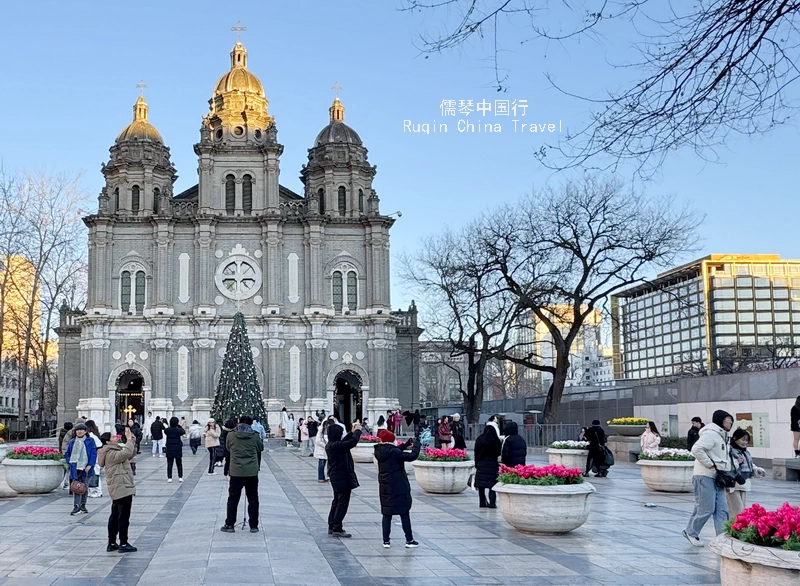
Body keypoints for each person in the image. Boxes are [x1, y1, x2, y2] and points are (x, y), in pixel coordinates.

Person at [682, 409, 734, 547]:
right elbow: (696, 449)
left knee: (722, 509)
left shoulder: (723, 436)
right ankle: (691, 532)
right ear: (720, 421)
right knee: (706, 507)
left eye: (731, 420)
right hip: (705, 475)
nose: (730, 423)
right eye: (727, 420)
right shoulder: (711, 434)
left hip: (718, 477)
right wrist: (711, 465)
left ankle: (722, 538)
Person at [374, 429, 421, 548]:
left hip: (385, 487)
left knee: (387, 514)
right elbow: (412, 456)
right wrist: (417, 444)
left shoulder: (380, 451)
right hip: (398, 487)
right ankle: (409, 540)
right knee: (404, 513)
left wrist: (405, 444)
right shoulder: (394, 452)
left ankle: (386, 541)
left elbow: (395, 451)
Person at [220, 416, 264, 533]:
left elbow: (228, 448)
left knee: (233, 499)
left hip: (236, 471)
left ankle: (230, 524)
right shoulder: (254, 436)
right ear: (250, 424)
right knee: (253, 499)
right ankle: (253, 525)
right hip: (251, 472)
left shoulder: (231, 435)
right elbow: (261, 448)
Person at [98, 426, 138, 553]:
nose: (116, 438)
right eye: (113, 437)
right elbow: (125, 453)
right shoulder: (110, 453)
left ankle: (112, 542)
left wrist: (132, 441)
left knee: (115, 515)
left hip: (120, 485)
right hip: (121, 486)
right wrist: (129, 441)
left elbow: (129, 454)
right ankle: (123, 543)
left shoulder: (114, 449)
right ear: (108, 442)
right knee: (123, 516)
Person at [326, 421, 362, 537]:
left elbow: (344, 442)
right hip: (342, 477)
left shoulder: (332, 445)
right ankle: (337, 527)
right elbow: (352, 442)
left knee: (337, 501)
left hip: (336, 476)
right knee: (342, 502)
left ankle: (332, 525)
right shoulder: (336, 446)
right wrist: (357, 431)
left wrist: (351, 433)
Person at [727, 428, 766, 518]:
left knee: (742, 510)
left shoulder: (745, 452)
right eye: (742, 440)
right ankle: (735, 529)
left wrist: (757, 470)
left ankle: (738, 529)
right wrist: (737, 462)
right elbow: (728, 466)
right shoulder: (729, 451)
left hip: (744, 485)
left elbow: (750, 465)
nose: (745, 443)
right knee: (737, 512)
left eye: (746, 440)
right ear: (735, 438)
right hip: (733, 486)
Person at [64, 423, 97, 515]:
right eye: (77, 430)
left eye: (81, 430)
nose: (79, 432)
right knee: (76, 486)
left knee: (84, 486)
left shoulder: (90, 441)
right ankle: (76, 506)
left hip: (86, 468)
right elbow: (67, 453)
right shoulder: (72, 442)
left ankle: (83, 505)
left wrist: (90, 465)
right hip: (75, 467)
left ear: (85, 431)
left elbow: (93, 453)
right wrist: (69, 462)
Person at [474, 420, 503, 508]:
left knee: (481, 486)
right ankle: (492, 503)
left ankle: (482, 502)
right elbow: (498, 452)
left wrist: (476, 463)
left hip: (481, 463)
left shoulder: (480, 439)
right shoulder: (496, 440)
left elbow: (476, 451)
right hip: (492, 464)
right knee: (492, 485)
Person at [86, 420, 104, 498]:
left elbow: (99, 447)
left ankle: (98, 491)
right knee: (91, 475)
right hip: (91, 457)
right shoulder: (91, 436)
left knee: (96, 474)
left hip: (95, 458)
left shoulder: (92, 436)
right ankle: (92, 490)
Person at [164, 417, 185, 483]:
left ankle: (169, 477)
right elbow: (183, 431)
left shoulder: (167, 430)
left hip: (169, 448)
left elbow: (165, 431)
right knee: (179, 463)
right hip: (177, 448)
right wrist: (178, 425)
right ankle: (180, 477)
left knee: (170, 464)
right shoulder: (178, 430)